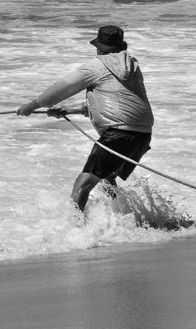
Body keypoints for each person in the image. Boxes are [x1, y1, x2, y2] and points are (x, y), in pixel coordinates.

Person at [16, 25, 154, 212]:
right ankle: (121, 220)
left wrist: (31, 106)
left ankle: (75, 231)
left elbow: (58, 90)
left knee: (82, 185)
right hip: (142, 135)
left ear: (99, 47)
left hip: (118, 135)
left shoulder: (95, 66)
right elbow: (121, 106)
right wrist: (72, 110)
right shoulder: (133, 67)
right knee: (107, 177)